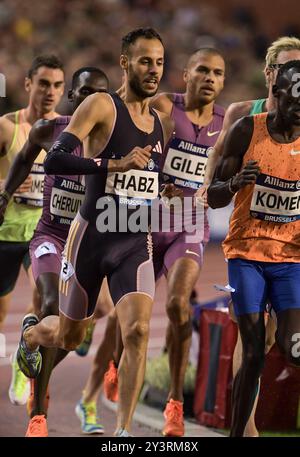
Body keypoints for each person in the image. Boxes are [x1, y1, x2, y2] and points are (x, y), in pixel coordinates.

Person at [15, 27, 173, 437]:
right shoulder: (102, 105)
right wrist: (113, 165)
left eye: (159, 61)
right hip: (90, 238)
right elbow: (57, 161)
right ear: (125, 63)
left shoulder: (159, 123)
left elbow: (148, 180)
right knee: (68, 337)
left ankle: (123, 433)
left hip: (135, 240)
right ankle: (32, 335)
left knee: (136, 331)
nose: (154, 70)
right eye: (144, 61)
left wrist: (163, 188)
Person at [0, 67, 110, 436]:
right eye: (86, 93)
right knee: (49, 305)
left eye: (102, 94)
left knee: (70, 336)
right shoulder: (52, 130)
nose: (95, 101)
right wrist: (5, 195)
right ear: (74, 98)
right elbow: (23, 157)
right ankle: (38, 412)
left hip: (89, 244)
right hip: (50, 236)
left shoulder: (118, 139)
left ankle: (31, 340)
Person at [202, 35, 300, 437]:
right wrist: (233, 182)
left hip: (290, 255)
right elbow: (214, 189)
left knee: (290, 345)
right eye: (288, 68)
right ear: (272, 77)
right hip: (246, 252)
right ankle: (243, 431)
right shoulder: (245, 120)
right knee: (255, 346)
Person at [150, 48, 225, 436]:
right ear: (185, 75)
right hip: (144, 221)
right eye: (202, 70)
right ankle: (112, 362)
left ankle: (175, 403)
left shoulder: (227, 123)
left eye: (217, 72)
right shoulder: (165, 104)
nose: (210, 77)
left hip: (190, 225)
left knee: (179, 304)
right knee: (121, 318)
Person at [0, 55, 65, 407]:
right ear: (28, 85)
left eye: (57, 85)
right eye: (43, 83)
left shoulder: (69, 132)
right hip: (4, 232)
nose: (50, 92)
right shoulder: (6, 128)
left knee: (43, 298)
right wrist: (6, 185)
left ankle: (24, 356)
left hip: (42, 233)